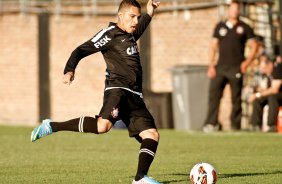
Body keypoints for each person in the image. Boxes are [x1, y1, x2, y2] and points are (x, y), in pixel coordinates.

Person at [31, 0, 161, 183]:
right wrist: (69, 69)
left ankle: (140, 178)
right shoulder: (109, 34)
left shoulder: (130, 34)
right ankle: (51, 126)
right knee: (103, 126)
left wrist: (149, 13)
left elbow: (141, 27)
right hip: (118, 90)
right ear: (120, 16)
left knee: (152, 135)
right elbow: (81, 49)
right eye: (132, 17)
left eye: (137, 18)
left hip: (135, 96)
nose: (135, 21)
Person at [203, 1, 258, 132]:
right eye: (232, 9)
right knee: (214, 95)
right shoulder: (220, 26)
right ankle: (211, 123)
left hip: (236, 67)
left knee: (236, 98)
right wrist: (211, 65)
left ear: (239, 11)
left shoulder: (245, 27)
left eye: (236, 9)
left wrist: (247, 62)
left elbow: (254, 46)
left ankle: (235, 125)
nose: (234, 11)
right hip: (220, 67)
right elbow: (213, 47)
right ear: (228, 10)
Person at [249, 58, 282, 132]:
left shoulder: (278, 70)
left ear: (270, 65)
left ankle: (272, 125)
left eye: (264, 68)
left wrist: (257, 94)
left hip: (278, 95)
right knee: (258, 100)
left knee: (272, 97)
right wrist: (259, 92)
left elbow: (274, 90)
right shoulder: (266, 75)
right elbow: (266, 90)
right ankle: (255, 125)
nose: (262, 70)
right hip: (273, 95)